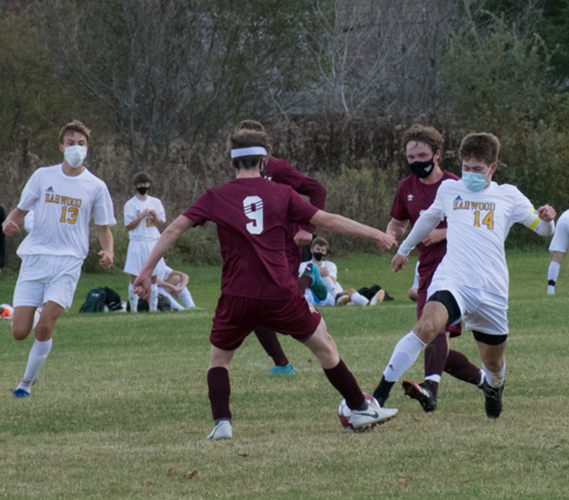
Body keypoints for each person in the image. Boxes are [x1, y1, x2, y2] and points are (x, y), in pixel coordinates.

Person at [134, 127, 398, 439]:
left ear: (232, 165)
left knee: (219, 360)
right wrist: (375, 233)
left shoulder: (215, 197)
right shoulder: (282, 194)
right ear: (264, 162)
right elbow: (328, 220)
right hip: (279, 292)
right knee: (325, 347)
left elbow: (172, 230)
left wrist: (145, 272)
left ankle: (222, 424)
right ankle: (360, 408)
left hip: (236, 295)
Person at [372, 132, 556, 419]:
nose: (469, 174)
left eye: (477, 169)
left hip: (491, 289)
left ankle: (494, 386)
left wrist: (549, 219)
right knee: (426, 327)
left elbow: (543, 230)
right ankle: (377, 397)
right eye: (465, 168)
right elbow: (426, 221)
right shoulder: (449, 190)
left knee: (493, 363)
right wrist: (404, 249)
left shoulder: (508, 196)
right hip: (453, 279)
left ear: (492, 168)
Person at [2, 120, 116, 398]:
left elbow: (103, 229)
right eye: (71, 143)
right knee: (19, 332)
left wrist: (108, 251)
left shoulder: (96, 186)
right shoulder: (43, 176)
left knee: (44, 328)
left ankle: (25, 384)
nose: (75, 148)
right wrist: (9, 222)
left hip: (68, 262)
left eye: (81, 143)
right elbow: (19, 211)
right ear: (61, 147)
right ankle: (37, 310)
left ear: (87, 148)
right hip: (35, 259)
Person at [385, 124, 484, 413]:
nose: (416, 161)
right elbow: (399, 222)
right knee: (432, 338)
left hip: (457, 269)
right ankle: (487, 382)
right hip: (427, 270)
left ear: (437, 154)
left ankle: (431, 390)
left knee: (435, 330)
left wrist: (444, 233)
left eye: (422, 154)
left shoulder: (456, 185)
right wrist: (392, 236)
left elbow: (480, 226)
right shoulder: (406, 188)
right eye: (411, 157)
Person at [236, 120, 328, 375]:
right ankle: (282, 364)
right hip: (259, 246)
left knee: (280, 303)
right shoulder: (239, 169)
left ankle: (309, 276)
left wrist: (308, 230)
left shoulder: (277, 167)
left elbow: (316, 190)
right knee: (253, 305)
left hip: (286, 243)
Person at [298, 237, 385, 307]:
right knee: (320, 273)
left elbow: (332, 281)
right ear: (312, 250)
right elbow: (305, 282)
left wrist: (317, 274)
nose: (320, 252)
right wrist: (319, 272)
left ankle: (368, 303)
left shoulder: (330, 265)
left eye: (323, 250)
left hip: (328, 294)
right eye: (318, 249)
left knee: (350, 290)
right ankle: (339, 298)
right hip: (312, 296)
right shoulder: (303, 265)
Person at [124, 172, 166, 312]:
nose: (143, 186)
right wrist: (141, 217)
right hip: (137, 242)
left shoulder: (156, 202)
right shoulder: (130, 204)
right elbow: (128, 226)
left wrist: (154, 216)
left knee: (153, 276)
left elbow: (160, 224)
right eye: (141, 184)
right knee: (134, 276)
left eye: (146, 184)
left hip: (152, 241)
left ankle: (153, 309)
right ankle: (133, 310)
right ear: (136, 185)